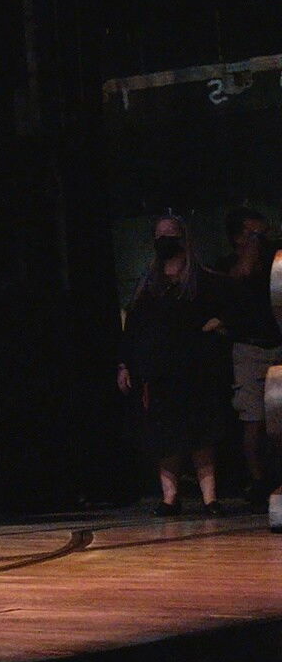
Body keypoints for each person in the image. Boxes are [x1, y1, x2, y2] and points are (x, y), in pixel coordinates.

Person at [118, 215, 234, 516]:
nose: (164, 241)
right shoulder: (148, 284)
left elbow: (231, 309)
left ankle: (210, 498)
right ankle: (170, 497)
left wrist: (217, 324)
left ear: (183, 237)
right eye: (159, 235)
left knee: (201, 434)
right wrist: (124, 365)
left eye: (169, 234)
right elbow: (133, 329)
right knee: (165, 436)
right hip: (160, 371)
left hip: (196, 369)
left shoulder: (203, 280)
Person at [216, 208, 282, 508]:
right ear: (238, 237)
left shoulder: (274, 262)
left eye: (262, 233)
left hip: (277, 345)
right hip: (249, 349)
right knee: (252, 417)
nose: (260, 239)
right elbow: (232, 293)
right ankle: (258, 481)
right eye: (253, 234)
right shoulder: (227, 268)